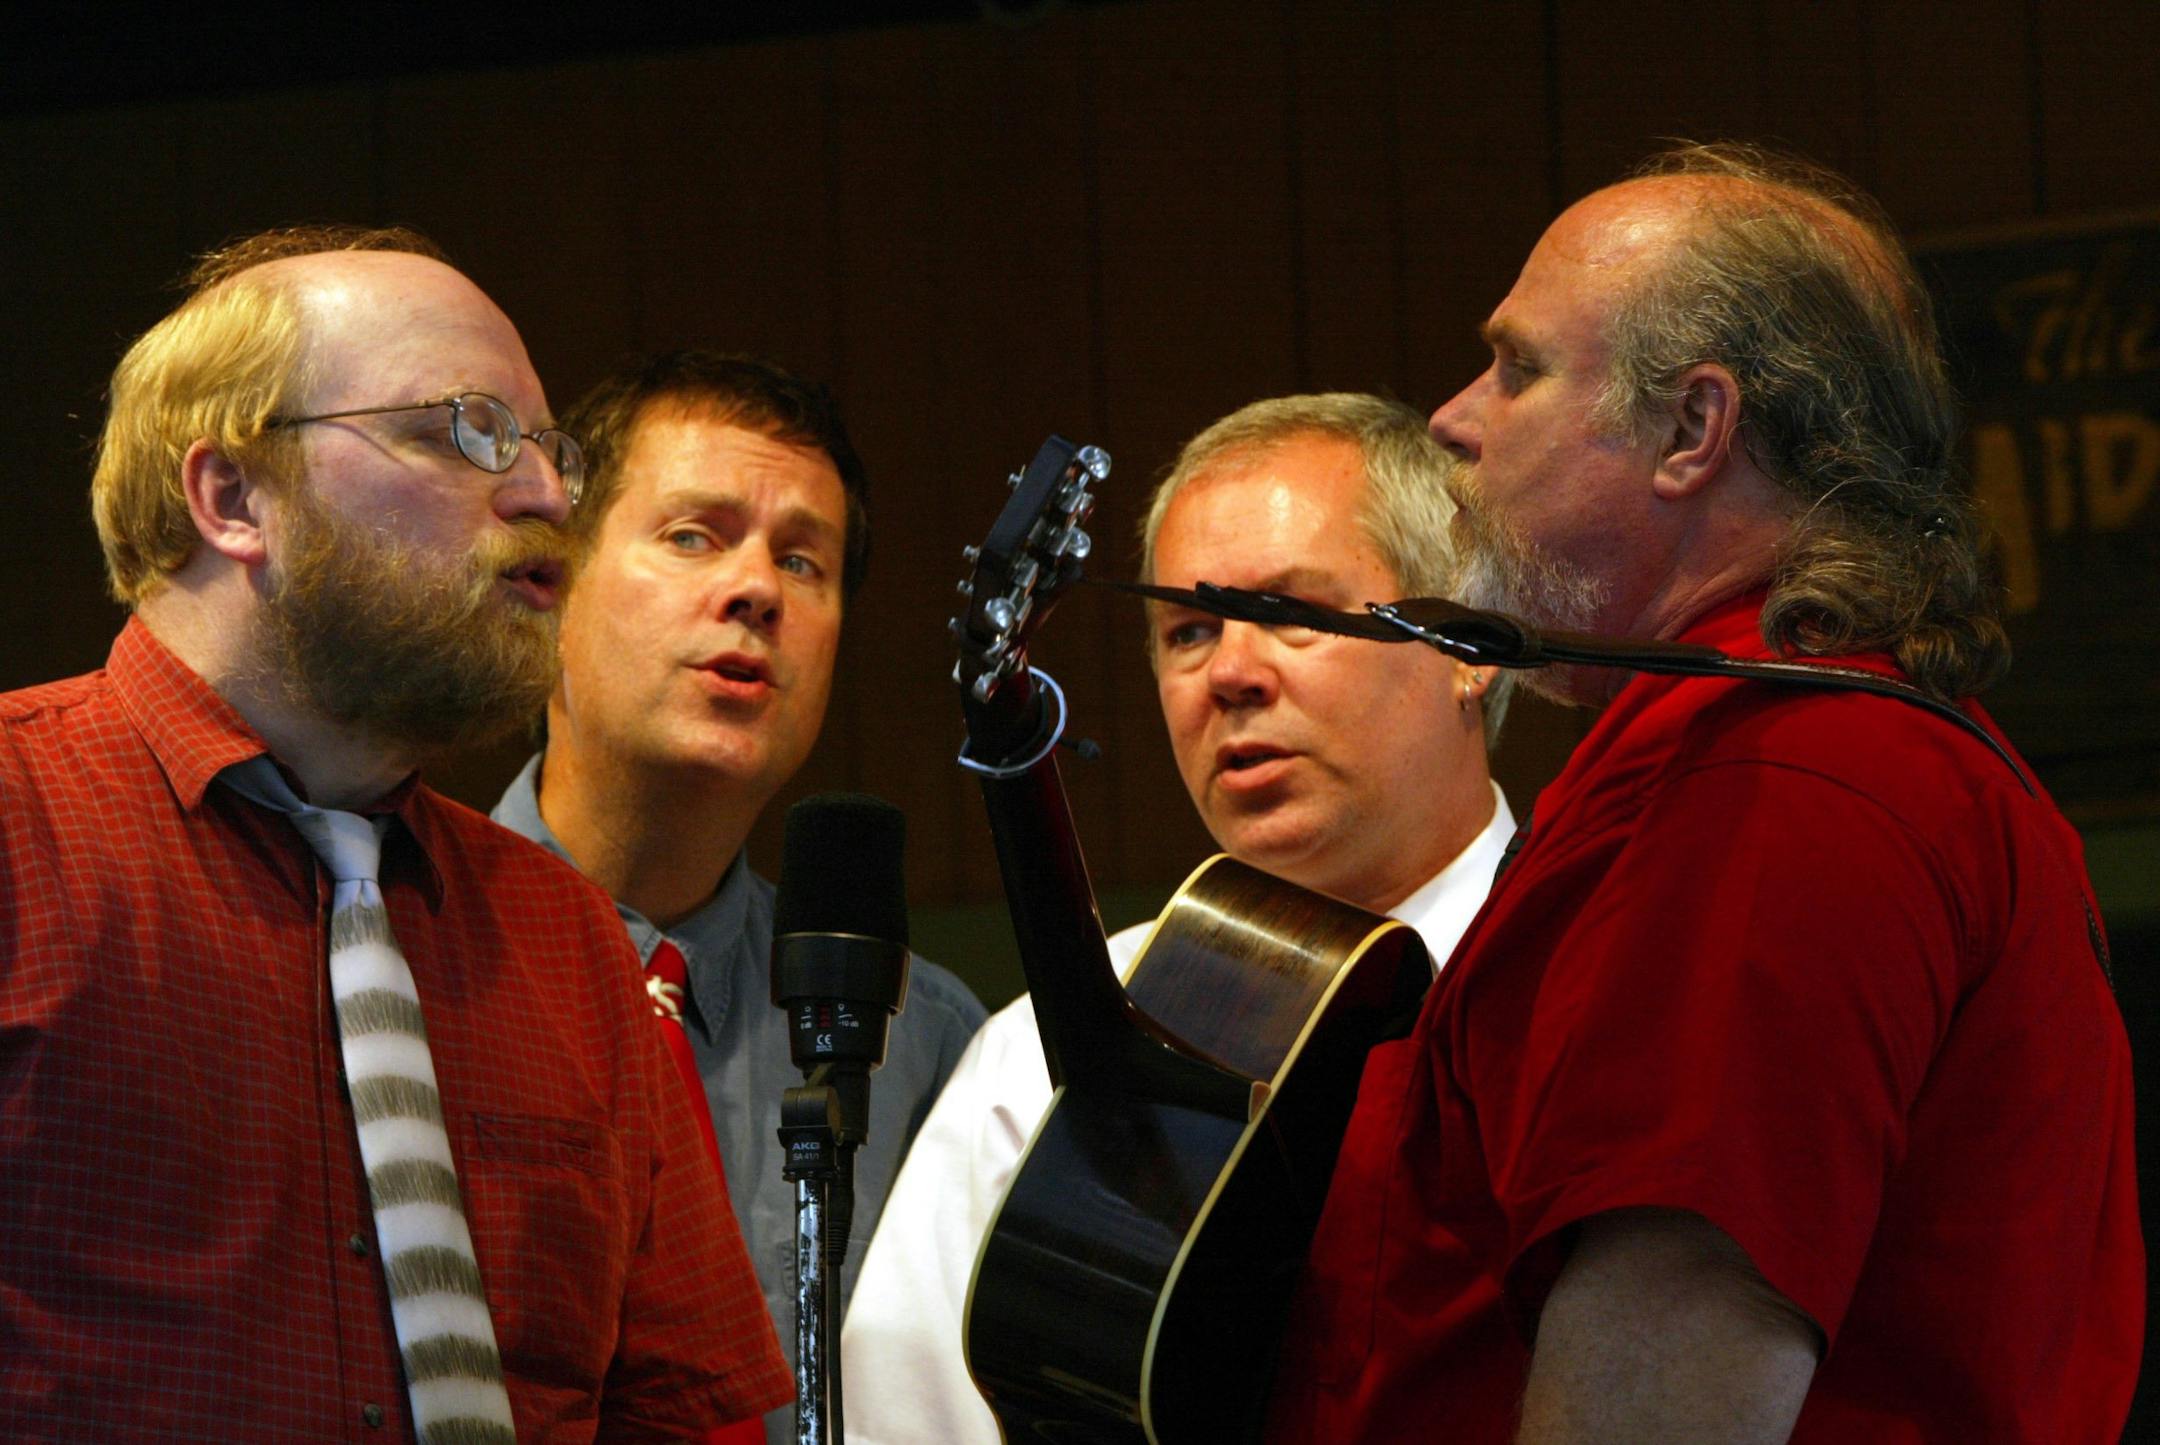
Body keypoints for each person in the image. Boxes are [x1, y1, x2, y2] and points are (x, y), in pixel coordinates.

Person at [1267, 143, 2144, 1442]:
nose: (1452, 417)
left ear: (1693, 429)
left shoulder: (1775, 788)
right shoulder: (1791, 759)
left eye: (1519, 368)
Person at [0, 227, 791, 1439]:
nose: (542, 496)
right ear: (234, 497)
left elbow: (688, 1418)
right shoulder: (17, 818)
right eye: (462, 430)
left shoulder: (567, 938)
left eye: (546, 449)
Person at [840, 393, 1517, 1445]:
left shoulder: (1589, 976)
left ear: (1468, 643)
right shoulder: (1032, 1058)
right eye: (1189, 630)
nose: (1233, 675)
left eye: (1295, 612)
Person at [489, 350, 986, 1443]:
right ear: (551, 580)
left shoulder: (928, 1039)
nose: (757, 587)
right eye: (692, 536)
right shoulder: (388, 951)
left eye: (806, 563)